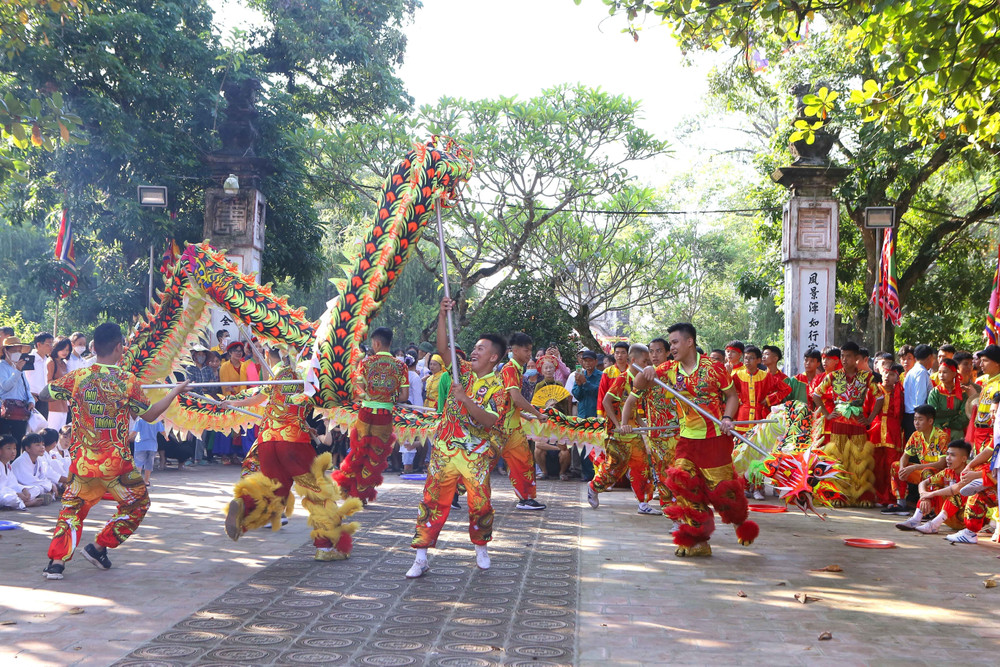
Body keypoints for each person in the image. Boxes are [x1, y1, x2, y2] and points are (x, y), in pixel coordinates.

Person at [37, 322, 190, 580]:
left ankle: (56, 564)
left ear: (93, 347)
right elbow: (151, 415)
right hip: (116, 466)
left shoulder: (78, 377)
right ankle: (98, 547)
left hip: (84, 464)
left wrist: (77, 396)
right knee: (138, 504)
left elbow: (43, 394)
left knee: (72, 510)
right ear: (119, 347)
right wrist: (175, 391)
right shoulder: (126, 381)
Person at [223, 347, 362, 560]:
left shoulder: (282, 375)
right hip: (292, 441)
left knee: (275, 489)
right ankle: (325, 548)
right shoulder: (315, 375)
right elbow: (337, 403)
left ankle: (244, 505)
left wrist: (232, 403)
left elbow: (256, 400)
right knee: (318, 493)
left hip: (268, 438)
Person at [407, 298, 511, 578]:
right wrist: (442, 314)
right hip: (444, 449)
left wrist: (465, 399)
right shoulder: (460, 370)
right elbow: (443, 348)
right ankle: (421, 556)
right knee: (432, 500)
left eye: (481, 348)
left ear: (493, 357)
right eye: (475, 347)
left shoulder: (498, 386)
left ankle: (481, 546)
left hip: (475, 454)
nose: (475, 351)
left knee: (480, 502)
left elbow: (490, 419)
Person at [640, 323, 757, 557]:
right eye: (670, 343)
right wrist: (646, 376)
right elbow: (638, 387)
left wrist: (726, 417)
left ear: (689, 342)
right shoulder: (669, 369)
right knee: (684, 488)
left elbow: (732, 397)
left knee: (723, 493)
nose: (670, 348)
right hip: (686, 440)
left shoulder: (713, 368)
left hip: (714, 439)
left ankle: (739, 522)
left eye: (674, 342)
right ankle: (697, 540)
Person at [332, 326, 408, 504]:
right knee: (375, 456)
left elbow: (359, 392)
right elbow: (404, 397)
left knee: (359, 452)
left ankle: (347, 487)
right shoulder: (401, 366)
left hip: (365, 414)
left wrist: (371, 395)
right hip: (385, 415)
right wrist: (387, 395)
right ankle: (362, 493)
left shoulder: (365, 363)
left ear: (376, 342)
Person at [590, 344, 657, 515]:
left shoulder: (641, 382)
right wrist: (619, 425)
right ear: (633, 361)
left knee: (641, 467)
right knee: (613, 470)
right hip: (618, 434)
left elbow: (635, 410)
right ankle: (594, 488)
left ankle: (643, 503)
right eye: (645, 361)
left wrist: (645, 428)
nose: (647, 365)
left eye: (649, 361)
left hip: (633, 434)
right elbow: (606, 402)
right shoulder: (622, 379)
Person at [813, 341, 880, 507]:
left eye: (848, 356)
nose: (844, 359)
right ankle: (838, 495)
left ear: (856, 358)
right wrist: (827, 414)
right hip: (838, 423)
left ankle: (860, 496)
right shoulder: (833, 376)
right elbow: (816, 394)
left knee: (859, 460)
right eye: (842, 356)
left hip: (857, 423)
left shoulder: (866, 377)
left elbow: (880, 397)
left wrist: (870, 419)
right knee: (838, 458)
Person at [624, 337, 679, 518]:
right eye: (652, 352)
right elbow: (630, 402)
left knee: (682, 476)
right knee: (663, 477)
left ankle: (686, 513)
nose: (655, 355)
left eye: (659, 351)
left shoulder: (678, 371)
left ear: (668, 352)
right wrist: (624, 424)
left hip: (681, 434)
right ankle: (673, 516)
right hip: (658, 436)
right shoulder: (645, 376)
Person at [498, 332, 547, 510]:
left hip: (512, 425)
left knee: (524, 462)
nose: (529, 355)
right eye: (526, 351)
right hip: (502, 428)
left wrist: (525, 415)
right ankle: (453, 492)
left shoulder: (517, 369)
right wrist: (537, 414)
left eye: (530, 351)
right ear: (515, 350)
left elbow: (510, 402)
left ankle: (526, 498)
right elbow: (516, 399)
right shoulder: (510, 370)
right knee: (481, 463)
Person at [895, 439, 971, 533]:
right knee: (932, 486)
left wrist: (930, 494)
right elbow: (923, 483)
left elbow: (956, 489)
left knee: (960, 493)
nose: (948, 458)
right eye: (947, 454)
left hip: (965, 520)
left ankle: (934, 525)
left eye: (953, 455)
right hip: (948, 517)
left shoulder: (969, 473)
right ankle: (916, 520)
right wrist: (924, 496)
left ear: (964, 459)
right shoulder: (947, 472)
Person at [885, 404, 948, 515]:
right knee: (896, 466)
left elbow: (941, 464)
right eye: (915, 419)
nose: (916, 423)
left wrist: (915, 467)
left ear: (930, 421)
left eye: (920, 419)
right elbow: (905, 456)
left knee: (927, 472)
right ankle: (901, 504)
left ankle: (930, 509)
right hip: (923, 472)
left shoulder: (941, 436)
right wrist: (902, 468)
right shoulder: (915, 435)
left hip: (940, 474)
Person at [867, 363, 904, 506]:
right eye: (886, 373)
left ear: (897, 378)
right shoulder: (874, 391)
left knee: (891, 465)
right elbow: (866, 409)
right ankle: (876, 496)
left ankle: (891, 497)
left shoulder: (900, 393)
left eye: (892, 374)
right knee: (876, 465)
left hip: (893, 431)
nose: (888, 377)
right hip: (875, 430)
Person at [531, 356, 572, 480]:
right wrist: (546, 406)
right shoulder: (539, 385)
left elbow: (565, 405)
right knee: (538, 448)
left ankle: (562, 473)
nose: (548, 370)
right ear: (542, 371)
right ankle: (543, 472)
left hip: (558, 422)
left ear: (555, 370)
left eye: (551, 368)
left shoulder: (559, 384)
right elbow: (536, 405)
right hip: (544, 421)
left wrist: (557, 406)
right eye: (546, 368)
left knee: (565, 450)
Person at [0, 336, 35, 442]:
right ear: (6, 351)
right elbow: (5, 386)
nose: (17, 353)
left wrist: (31, 400)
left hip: (21, 413)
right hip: (6, 413)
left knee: (18, 443)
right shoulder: (2, 367)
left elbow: (26, 388)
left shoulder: (21, 369)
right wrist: (18, 371)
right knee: (6, 443)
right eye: (14, 350)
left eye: (19, 350)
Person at [1, 434, 49, 509]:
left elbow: (13, 483)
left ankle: (22, 501)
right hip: (5, 493)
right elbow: (2, 487)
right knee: (9, 498)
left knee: (35, 489)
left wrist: (23, 490)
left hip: (10, 491)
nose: (13, 451)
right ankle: (26, 503)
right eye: (9, 448)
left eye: (14, 448)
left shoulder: (7, 465)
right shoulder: (21, 461)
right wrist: (17, 494)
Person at [927, 358, 969, 440]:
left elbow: (964, 416)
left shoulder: (962, 393)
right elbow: (934, 413)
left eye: (945, 372)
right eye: (939, 372)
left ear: (954, 373)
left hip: (957, 433)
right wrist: (956, 413)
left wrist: (948, 422)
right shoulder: (935, 392)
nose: (941, 375)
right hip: (938, 431)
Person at [902, 344, 935, 442]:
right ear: (929, 357)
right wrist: (920, 419)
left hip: (911, 415)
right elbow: (920, 398)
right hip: (917, 416)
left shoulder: (912, 371)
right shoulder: (921, 372)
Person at [45, 337, 72, 430]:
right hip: (53, 405)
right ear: (56, 347)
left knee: (60, 434)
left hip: (63, 405)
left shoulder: (63, 363)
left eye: (67, 350)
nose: (65, 352)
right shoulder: (51, 362)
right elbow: (48, 381)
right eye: (62, 349)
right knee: (53, 433)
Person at [597, 342, 629, 417]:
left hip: (629, 410)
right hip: (610, 410)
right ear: (614, 354)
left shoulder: (632, 371)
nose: (619, 355)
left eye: (623, 353)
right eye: (617, 353)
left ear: (628, 355)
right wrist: (600, 414)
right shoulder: (607, 372)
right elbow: (602, 393)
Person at [129, 417, 164, 487]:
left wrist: (127, 438)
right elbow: (162, 431)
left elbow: (134, 432)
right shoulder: (156, 420)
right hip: (152, 445)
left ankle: (137, 481)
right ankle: (146, 481)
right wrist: (166, 436)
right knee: (149, 464)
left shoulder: (140, 420)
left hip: (140, 445)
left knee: (138, 463)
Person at [26, 333, 54, 418]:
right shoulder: (29, 359)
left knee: (42, 427)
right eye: (48, 344)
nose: (51, 347)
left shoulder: (47, 360)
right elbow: (22, 379)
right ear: (38, 344)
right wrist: (29, 395)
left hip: (44, 399)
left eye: (52, 344)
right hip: (31, 399)